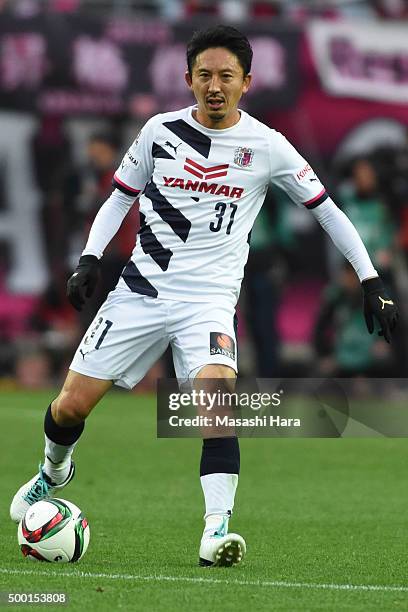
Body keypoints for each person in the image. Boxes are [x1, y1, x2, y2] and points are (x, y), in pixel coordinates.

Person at [10, 25, 398, 567]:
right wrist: (89, 260)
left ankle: (215, 533)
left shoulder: (267, 146)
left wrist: (372, 280)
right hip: (141, 292)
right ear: (189, 78)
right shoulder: (158, 132)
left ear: (247, 82)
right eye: (206, 76)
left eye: (227, 77)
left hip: (209, 304)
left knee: (218, 408)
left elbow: (327, 210)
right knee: (70, 406)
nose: (215, 86)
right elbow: (118, 199)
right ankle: (53, 471)